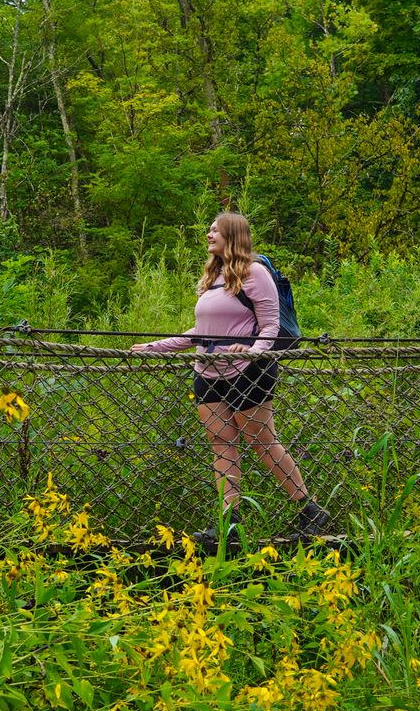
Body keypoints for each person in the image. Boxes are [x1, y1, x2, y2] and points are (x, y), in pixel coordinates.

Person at [131, 212, 332, 549]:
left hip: (248, 372)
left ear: (233, 235)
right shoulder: (213, 276)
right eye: (209, 229)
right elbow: (202, 332)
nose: (209, 234)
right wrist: (157, 346)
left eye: (215, 230)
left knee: (261, 440)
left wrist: (253, 352)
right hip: (207, 371)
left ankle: (308, 509)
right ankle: (230, 524)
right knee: (221, 445)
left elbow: (269, 326)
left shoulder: (255, 273)